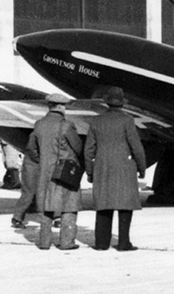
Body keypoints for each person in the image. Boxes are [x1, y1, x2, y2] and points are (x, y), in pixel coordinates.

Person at [84, 86, 147, 251]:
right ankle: (124, 243)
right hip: (124, 168)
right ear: (122, 103)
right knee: (125, 205)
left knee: (104, 205)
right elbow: (136, 146)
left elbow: (88, 149)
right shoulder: (127, 120)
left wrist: (90, 171)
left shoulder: (97, 121)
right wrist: (141, 167)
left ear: (107, 103)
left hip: (102, 167)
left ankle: (101, 243)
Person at [25, 93, 83, 250]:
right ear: (60, 107)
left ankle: (44, 242)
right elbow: (78, 147)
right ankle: (67, 242)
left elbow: (31, 148)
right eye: (64, 106)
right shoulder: (67, 125)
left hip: (45, 172)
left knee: (45, 207)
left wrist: (42, 160)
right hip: (64, 172)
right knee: (69, 206)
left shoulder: (39, 124)